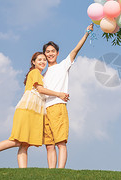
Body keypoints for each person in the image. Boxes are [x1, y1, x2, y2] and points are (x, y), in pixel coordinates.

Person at [0, 52, 69, 168]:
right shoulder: (35, 73)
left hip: (32, 112)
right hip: (27, 111)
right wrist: (59, 94)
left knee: (25, 144)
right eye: (39, 59)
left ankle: (22, 172)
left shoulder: (40, 75)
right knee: (17, 140)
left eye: (44, 60)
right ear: (33, 62)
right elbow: (40, 89)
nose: (42, 62)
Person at [42, 23, 93, 169]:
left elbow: (76, 50)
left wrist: (86, 33)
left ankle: (60, 171)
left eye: (52, 51)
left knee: (60, 143)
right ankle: (52, 173)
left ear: (57, 53)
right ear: (44, 55)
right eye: (47, 51)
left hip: (58, 107)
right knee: (49, 145)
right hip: (45, 110)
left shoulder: (63, 65)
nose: (50, 53)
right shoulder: (43, 75)